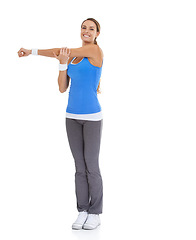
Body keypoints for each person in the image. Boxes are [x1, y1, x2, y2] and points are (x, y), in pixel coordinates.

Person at [17, 18, 104, 230]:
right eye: (84, 27)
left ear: (97, 34)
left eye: (91, 29)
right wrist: (62, 64)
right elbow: (62, 88)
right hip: (71, 117)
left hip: (92, 117)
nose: (86, 31)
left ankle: (95, 213)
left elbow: (58, 49)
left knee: (91, 167)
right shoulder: (72, 57)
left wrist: (32, 51)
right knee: (79, 168)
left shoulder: (94, 51)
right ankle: (82, 210)